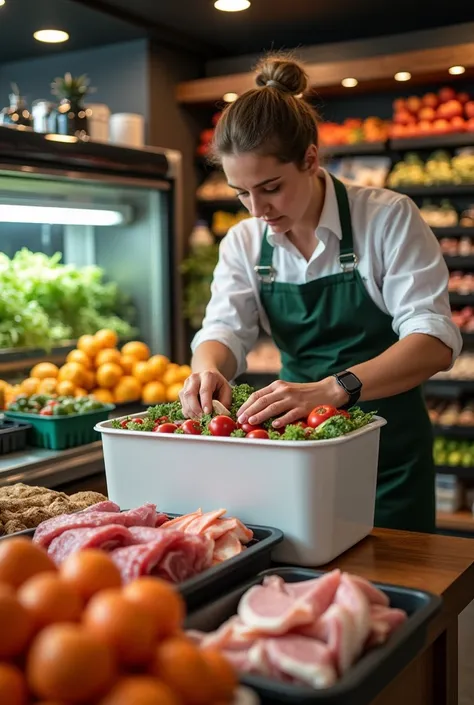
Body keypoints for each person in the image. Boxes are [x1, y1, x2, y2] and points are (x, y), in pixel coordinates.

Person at [180, 54, 462, 533]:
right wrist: (206, 372)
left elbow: (433, 340)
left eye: (270, 187)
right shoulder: (246, 242)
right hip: (297, 454)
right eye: (241, 193)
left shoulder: (387, 218)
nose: (257, 209)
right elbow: (224, 328)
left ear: (310, 159)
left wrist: (334, 389)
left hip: (387, 459)